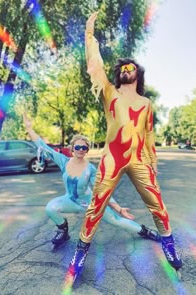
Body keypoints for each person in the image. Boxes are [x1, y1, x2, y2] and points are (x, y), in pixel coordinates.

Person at [68, 11, 182, 282]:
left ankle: (168, 244)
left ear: (138, 74)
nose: (127, 69)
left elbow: (150, 135)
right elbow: (95, 66)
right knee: (96, 204)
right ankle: (81, 251)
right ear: (119, 74)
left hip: (140, 159)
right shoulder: (111, 93)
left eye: (132, 67)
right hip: (112, 158)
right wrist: (88, 35)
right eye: (124, 68)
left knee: (157, 204)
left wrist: (152, 165)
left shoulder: (146, 104)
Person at [23, 113, 161, 249]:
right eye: (77, 147)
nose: (81, 150)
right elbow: (43, 146)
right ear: (72, 149)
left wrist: (118, 208)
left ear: (87, 150)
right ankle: (63, 231)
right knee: (50, 208)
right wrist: (29, 129)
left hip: (89, 203)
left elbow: (101, 190)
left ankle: (145, 231)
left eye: (84, 148)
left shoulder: (90, 169)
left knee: (115, 220)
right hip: (70, 200)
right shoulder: (63, 161)